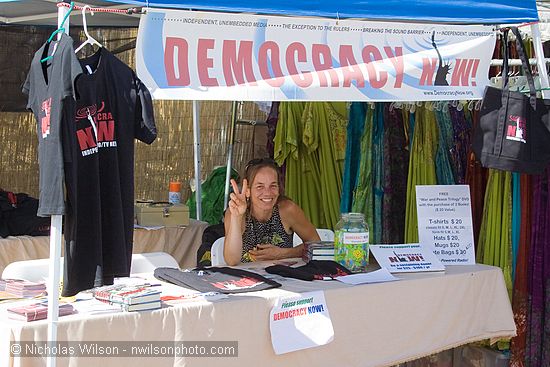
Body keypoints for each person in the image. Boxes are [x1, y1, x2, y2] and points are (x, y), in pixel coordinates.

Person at [224, 158, 320, 266]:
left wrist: (283, 254)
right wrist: (237, 217)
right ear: (247, 191)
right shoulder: (235, 212)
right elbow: (231, 260)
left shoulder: (287, 210)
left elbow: (316, 245)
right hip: (246, 279)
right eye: (260, 187)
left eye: (273, 186)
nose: (267, 193)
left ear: (279, 189)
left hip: (285, 278)